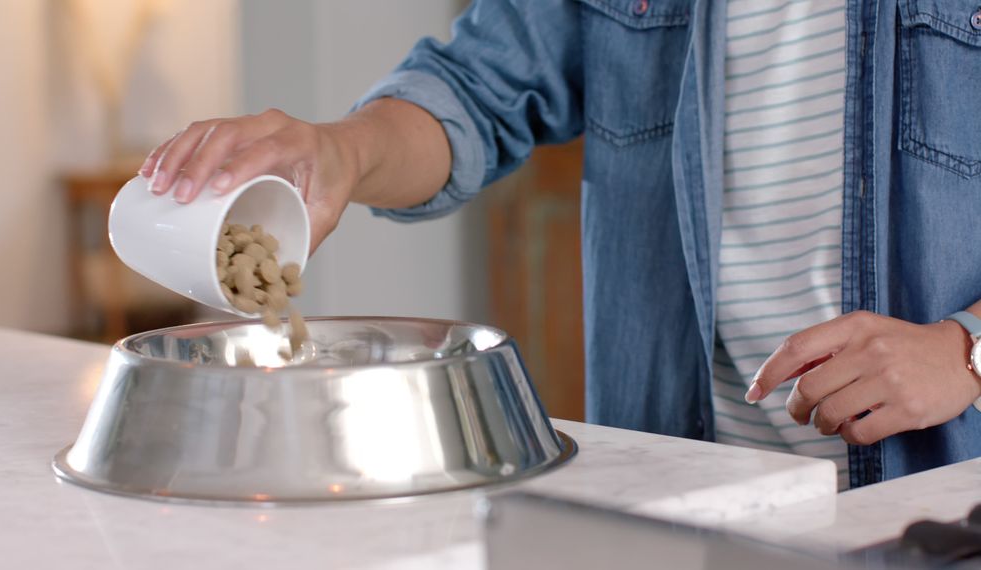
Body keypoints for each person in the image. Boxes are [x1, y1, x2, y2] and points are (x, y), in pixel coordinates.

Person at [138, 0, 981, 489]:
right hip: (687, 502)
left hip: (934, 510)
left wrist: (968, 349)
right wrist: (344, 152)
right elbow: (476, 88)